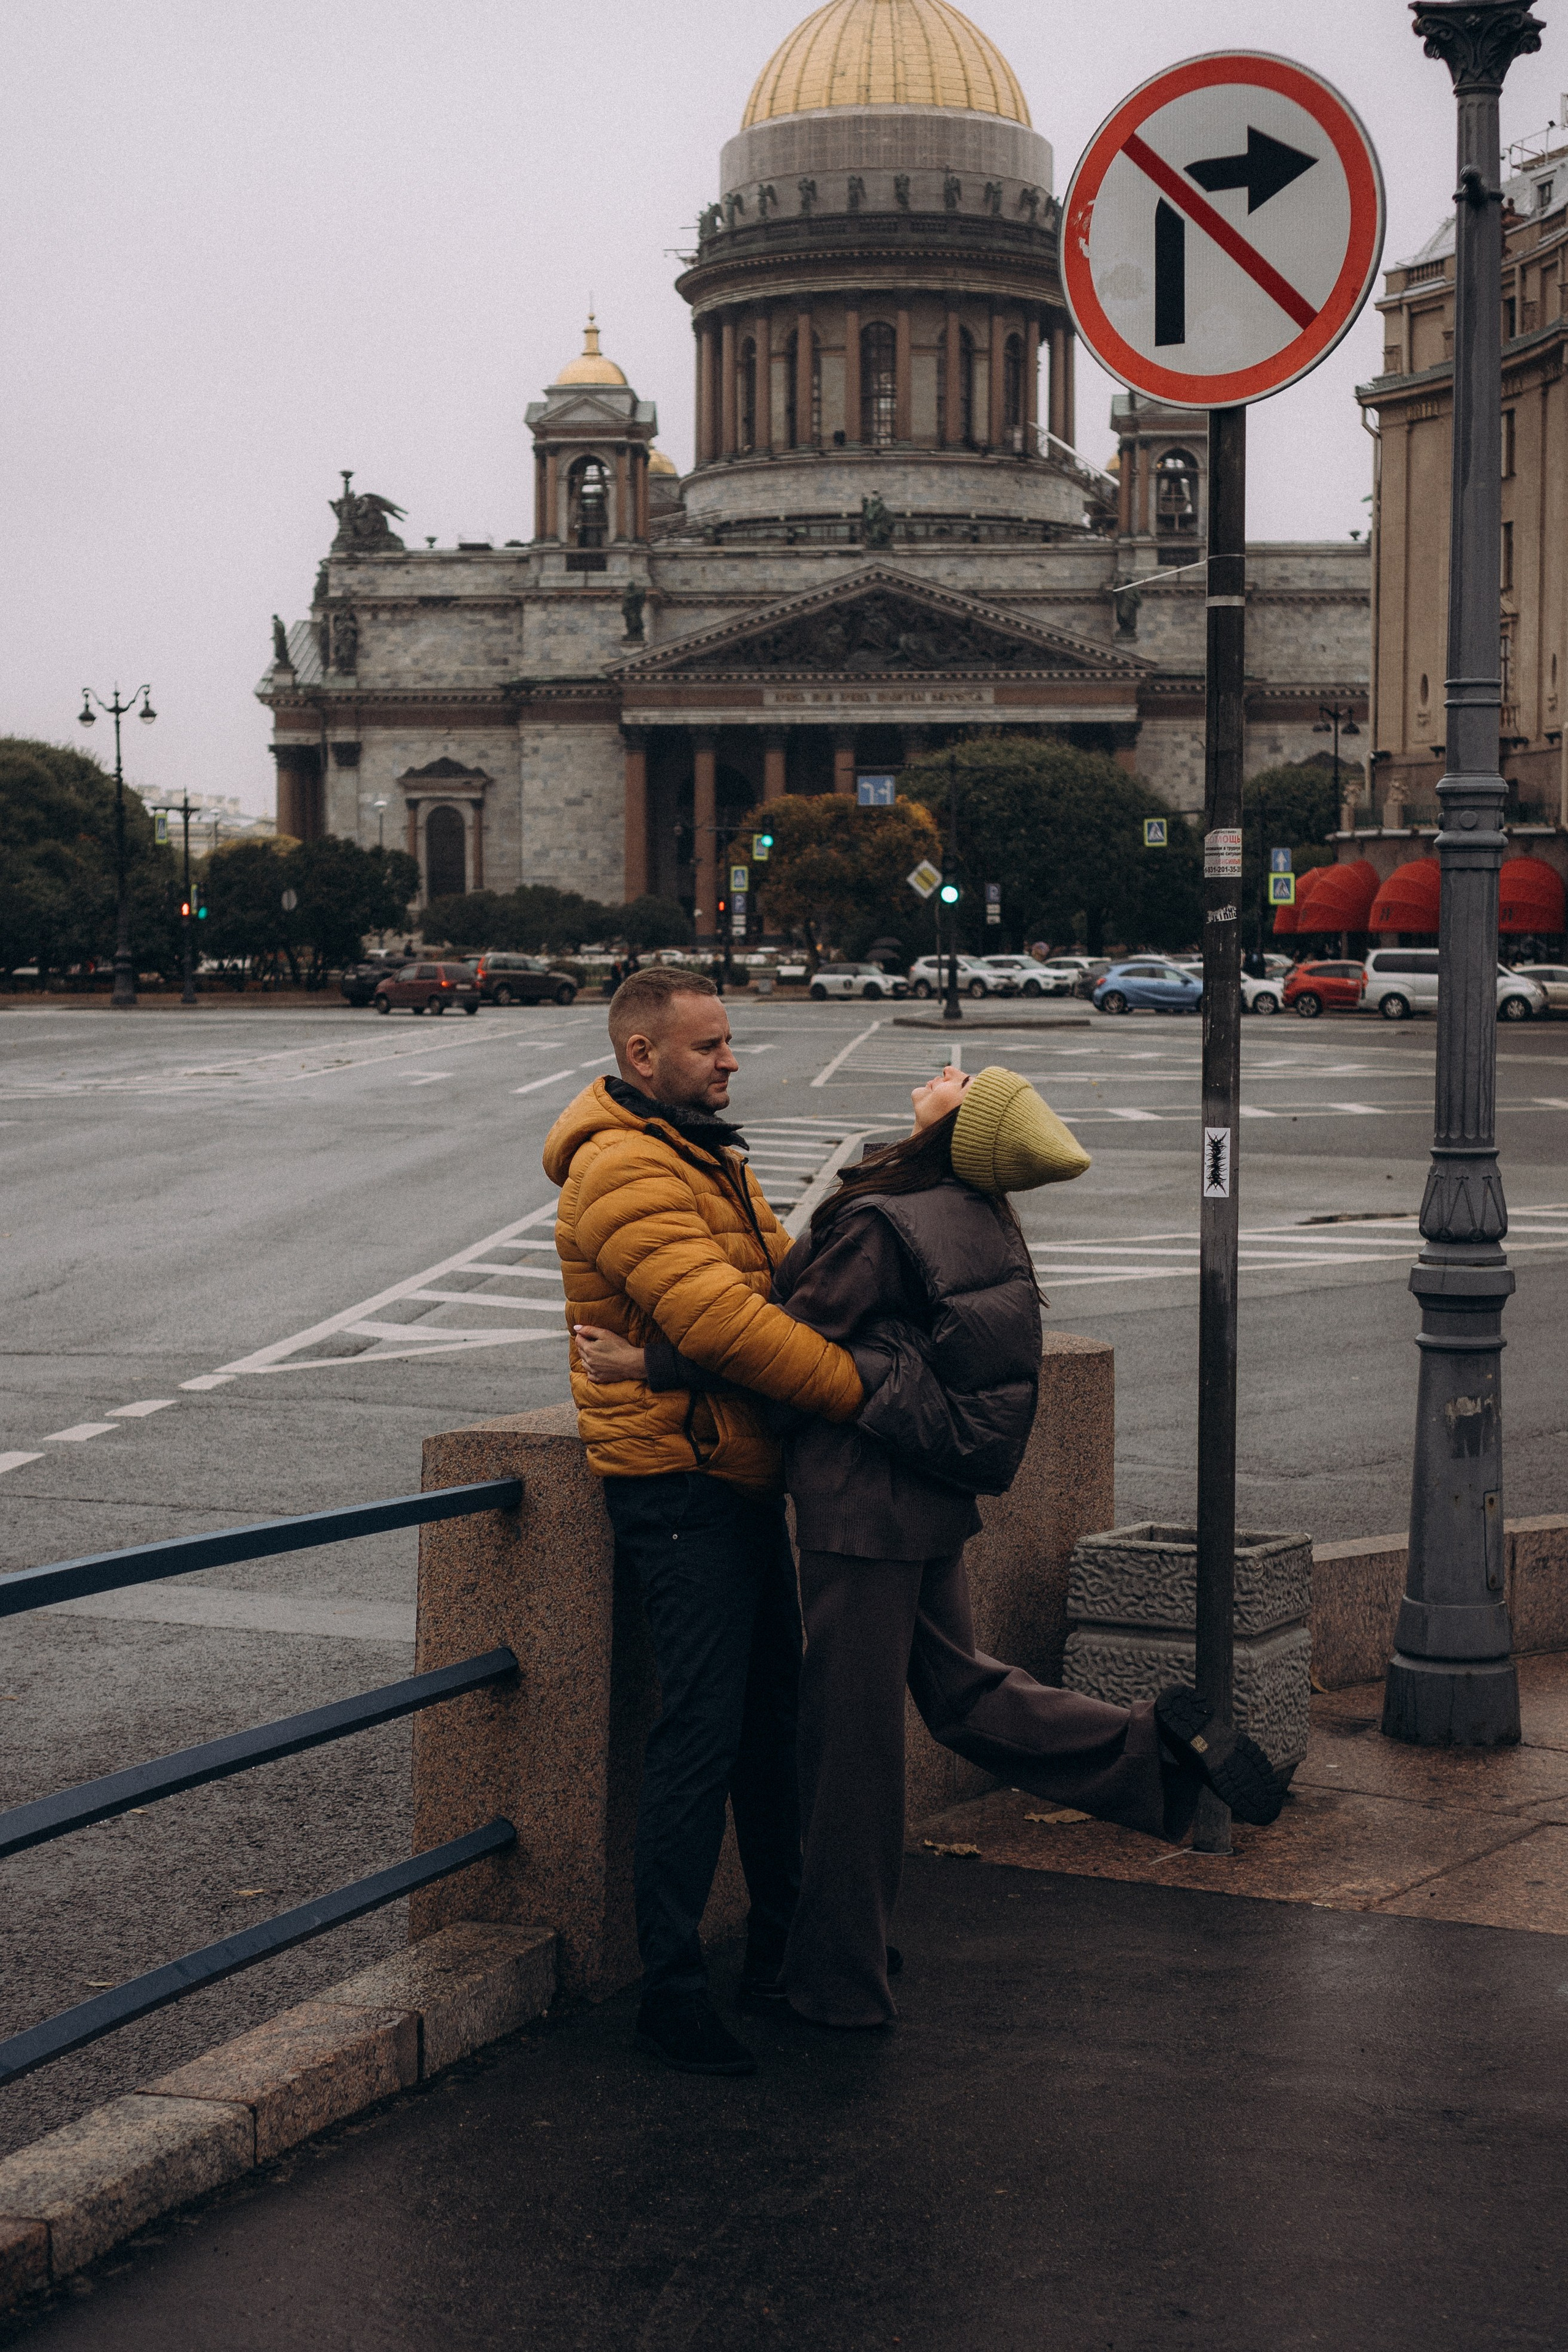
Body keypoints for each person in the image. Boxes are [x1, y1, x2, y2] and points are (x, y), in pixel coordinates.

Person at [576, 1063, 1284, 2032]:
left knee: (848, 1752)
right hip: (930, 1493)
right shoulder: (978, 1213)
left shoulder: (885, 1221)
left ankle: (835, 1984)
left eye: (966, 1084)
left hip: (862, 1504)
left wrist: (645, 1362)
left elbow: (777, 1339)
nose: (947, 1073)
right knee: (964, 1695)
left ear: (964, 1131)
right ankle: (1150, 1748)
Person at [543, 966, 863, 2076]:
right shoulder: (625, 1166)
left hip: (729, 1470)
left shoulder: (698, 1152)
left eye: (729, 1043)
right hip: (677, 1487)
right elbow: (730, 1322)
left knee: (768, 1725)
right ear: (644, 1057)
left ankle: (779, 1950)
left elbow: (780, 1283)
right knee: (702, 1736)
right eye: (709, 1047)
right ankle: (670, 1997)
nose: (732, 1062)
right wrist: (861, 1394)